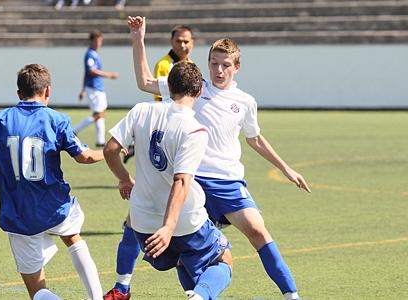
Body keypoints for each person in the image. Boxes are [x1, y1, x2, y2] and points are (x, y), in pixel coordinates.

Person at [105, 16, 312, 300]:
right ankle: (123, 286)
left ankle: (291, 295)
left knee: (258, 232)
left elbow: (255, 139)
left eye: (225, 64)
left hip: (227, 182)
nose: (218, 69)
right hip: (193, 181)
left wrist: (287, 169)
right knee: (138, 223)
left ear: (236, 67)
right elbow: (144, 81)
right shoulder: (194, 86)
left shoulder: (245, 102)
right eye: (214, 62)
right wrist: (138, 38)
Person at [0, 64, 104, 300]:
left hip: (18, 214)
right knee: (73, 236)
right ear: (47, 91)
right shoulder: (56, 119)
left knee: (37, 291)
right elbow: (84, 157)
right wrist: (109, 151)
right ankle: (97, 298)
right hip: (55, 206)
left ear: (18, 93)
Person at [103, 60, 233, 300]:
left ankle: (187, 293)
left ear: (169, 86)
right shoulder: (194, 129)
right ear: (199, 91)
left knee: (184, 259)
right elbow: (181, 181)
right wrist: (168, 227)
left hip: (143, 226)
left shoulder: (142, 110)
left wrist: (124, 179)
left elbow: (110, 149)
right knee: (223, 259)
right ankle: (199, 296)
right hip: (182, 222)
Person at [122, 24, 194, 163]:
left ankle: (135, 147)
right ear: (172, 42)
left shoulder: (191, 64)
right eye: (178, 41)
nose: (182, 45)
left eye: (186, 41)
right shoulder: (165, 64)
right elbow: (162, 96)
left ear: (192, 43)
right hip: (168, 121)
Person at [74, 30, 119, 147]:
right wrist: (109, 75)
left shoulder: (94, 54)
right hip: (94, 88)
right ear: (92, 41)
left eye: (100, 41)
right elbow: (91, 71)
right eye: (98, 41)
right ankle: (74, 130)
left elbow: (86, 73)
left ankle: (100, 140)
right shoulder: (90, 54)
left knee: (101, 113)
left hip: (97, 87)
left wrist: (82, 89)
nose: (100, 43)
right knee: (98, 114)